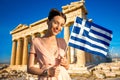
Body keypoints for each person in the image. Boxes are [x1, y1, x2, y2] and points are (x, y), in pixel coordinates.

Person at [27, 8, 71, 80]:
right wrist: (47, 72)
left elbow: (67, 67)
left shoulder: (63, 42)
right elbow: (29, 68)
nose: (58, 27)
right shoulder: (36, 41)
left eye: (62, 25)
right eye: (56, 23)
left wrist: (65, 64)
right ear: (48, 22)